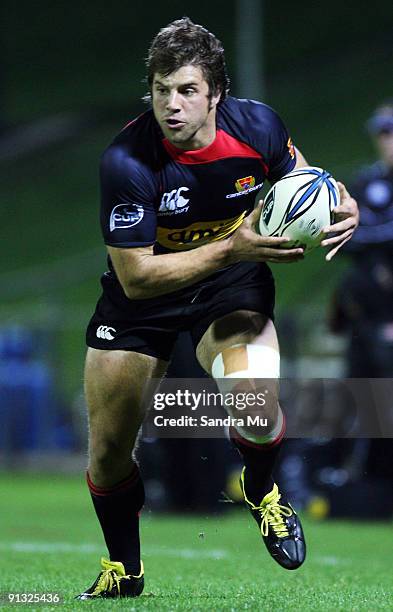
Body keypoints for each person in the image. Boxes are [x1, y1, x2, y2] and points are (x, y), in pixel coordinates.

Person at [77, 18, 359, 599]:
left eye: (186, 91)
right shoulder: (127, 161)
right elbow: (136, 279)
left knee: (256, 405)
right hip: (144, 301)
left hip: (231, 284)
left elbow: (303, 179)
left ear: (216, 95)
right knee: (107, 452)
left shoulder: (258, 126)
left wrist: (339, 204)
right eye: (161, 91)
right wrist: (230, 245)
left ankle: (263, 491)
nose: (171, 106)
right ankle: (124, 570)